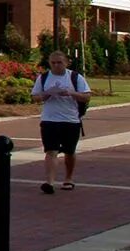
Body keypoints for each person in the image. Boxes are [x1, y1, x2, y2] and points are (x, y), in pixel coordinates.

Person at [32, 49, 91, 193]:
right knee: (51, 151)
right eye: (53, 63)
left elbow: (87, 96)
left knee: (69, 151)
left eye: (59, 62)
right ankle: (49, 182)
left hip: (70, 120)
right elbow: (35, 97)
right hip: (49, 120)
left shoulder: (75, 78)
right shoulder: (44, 78)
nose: (56, 65)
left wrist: (71, 93)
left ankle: (68, 178)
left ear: (66, 62)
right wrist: (47, 94)